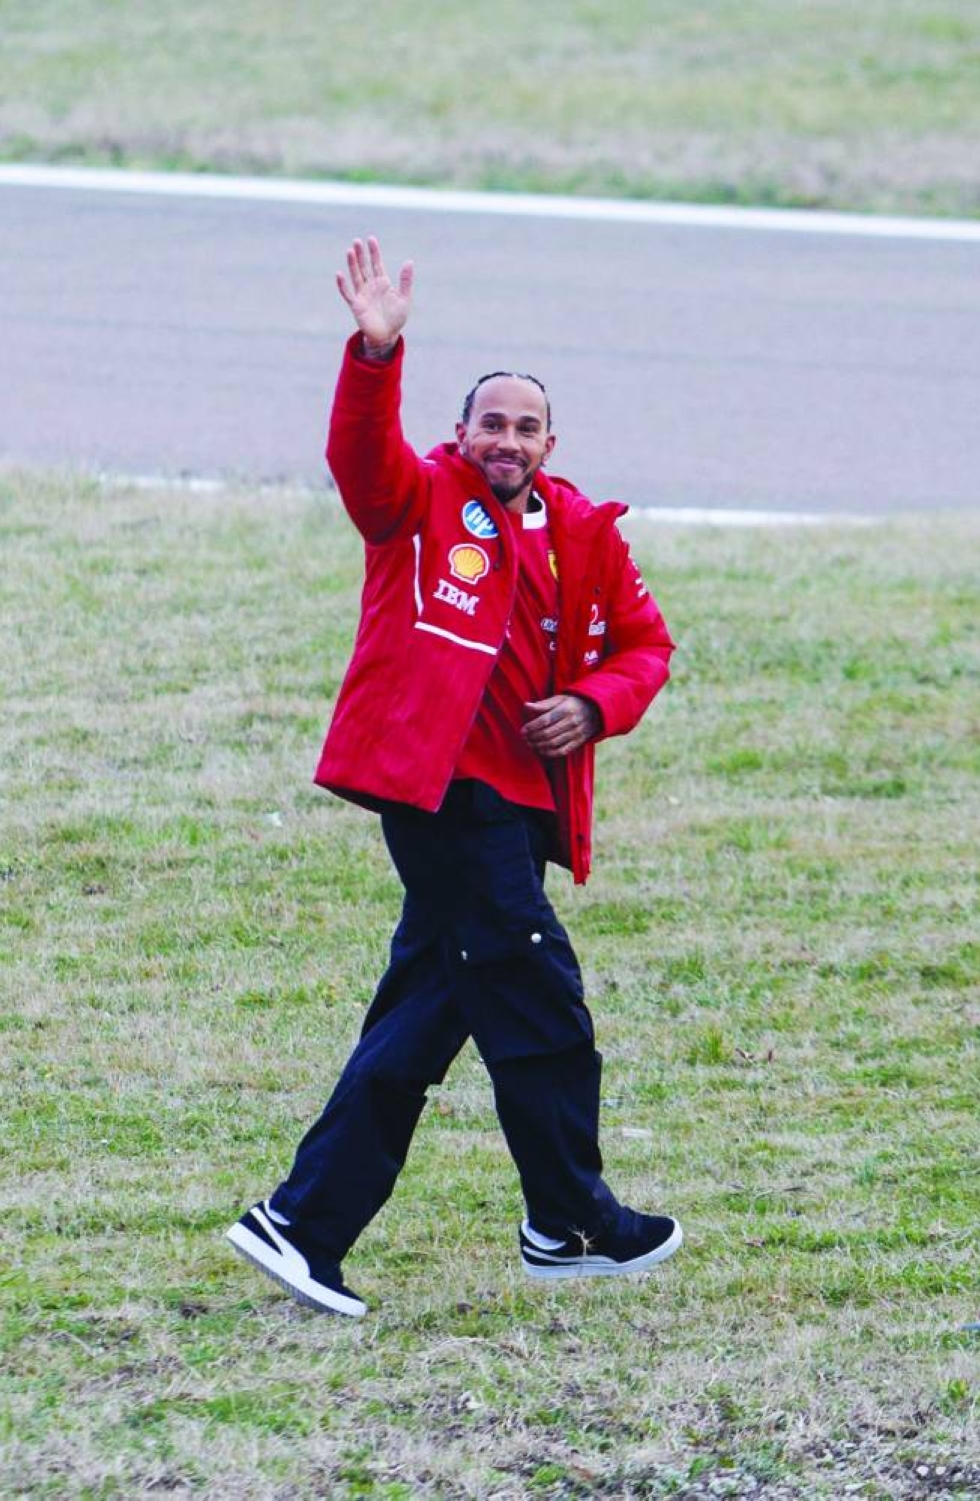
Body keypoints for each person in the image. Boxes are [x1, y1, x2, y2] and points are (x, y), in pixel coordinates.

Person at [226, 237, 681, 1317]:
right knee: (542, 1000)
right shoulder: (421, 499)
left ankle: (301, 1223)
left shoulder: (583, 532)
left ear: (550, 442)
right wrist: (374, 354)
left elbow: (646, 645)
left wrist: (594, 704)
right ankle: (572, 1223)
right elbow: (359, 462)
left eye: (526, 427)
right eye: (491, 424)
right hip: (443, 798)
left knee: (422, 1020)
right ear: (463, 431)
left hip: (522, 810)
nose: (507, 441)